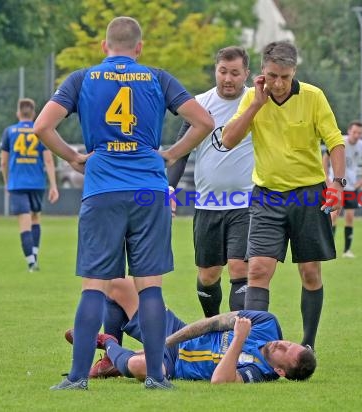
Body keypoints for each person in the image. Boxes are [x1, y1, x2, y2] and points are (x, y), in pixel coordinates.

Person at [33, 16, 214, 390]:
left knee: (94, 286)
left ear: (104, 47)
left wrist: (71, 157)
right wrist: (171, 153)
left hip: (102, 190)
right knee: (149, 286)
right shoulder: (157, 77)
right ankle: (155, 376)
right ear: (139, 48)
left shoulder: (82, 78)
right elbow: (204, 121)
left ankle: (78, 377)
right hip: (148, 189)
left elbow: (42, 126)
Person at [221, 41, 345, 350]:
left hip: (309, 195)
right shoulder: (252, 98)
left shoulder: (313, 97)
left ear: (294, 73)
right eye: (272, 75)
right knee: (258, 270)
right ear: (262, 72)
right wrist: (255, 106)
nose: (277, 84)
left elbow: (335, 141)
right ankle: (252, 348)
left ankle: (308, 345)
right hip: (267, 196)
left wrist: (338, 184)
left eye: (285, 77)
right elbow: (228, 140)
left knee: (310, 273)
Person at [167, 46, 253, 317]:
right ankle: (212, 326)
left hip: (247, 202)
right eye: (223, 71)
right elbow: (180, 152)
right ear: (215, 70)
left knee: (240, 268)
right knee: (208, 275)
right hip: (208, 204)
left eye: (235, 73)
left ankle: (237, 341)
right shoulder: (200, 104)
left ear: (246, 74)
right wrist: (169, 189)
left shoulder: (256, 101)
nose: (228, 78)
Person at [64, 297, 317, 383]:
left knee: (143, 367)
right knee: (119, 287)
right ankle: (113, 360)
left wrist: (239, 339)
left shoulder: (260, 373)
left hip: (176, 367)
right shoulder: (267, 324)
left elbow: (219, 380)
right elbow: (212, 322)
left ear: (280, 371)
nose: (282, 343)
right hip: (177, 334)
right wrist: (169, 339)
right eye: (290, 342)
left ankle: (109, 342)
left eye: (286, 351)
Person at [0, 98, 59, 272]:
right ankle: (34, 256)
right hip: (37, 183)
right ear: (33, 113)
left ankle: (31, 262)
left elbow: (3, 162)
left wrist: (6, 182)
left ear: (18, 112)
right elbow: (48, 160)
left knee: (24, 222)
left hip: (17, 184)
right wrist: (53, 185)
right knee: (35, 218)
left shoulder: (9, 131)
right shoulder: (40, 130)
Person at [322, 120, 362, 258]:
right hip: (336, 184)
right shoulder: (340, 141)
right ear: (349, 131)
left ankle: (347, 250)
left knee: (350, 217)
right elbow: (325, 158)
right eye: (354, 132)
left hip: (350, 186)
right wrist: (326, 177)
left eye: (359, 133)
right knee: (333, 215)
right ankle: (327, 248)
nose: (356, 135)